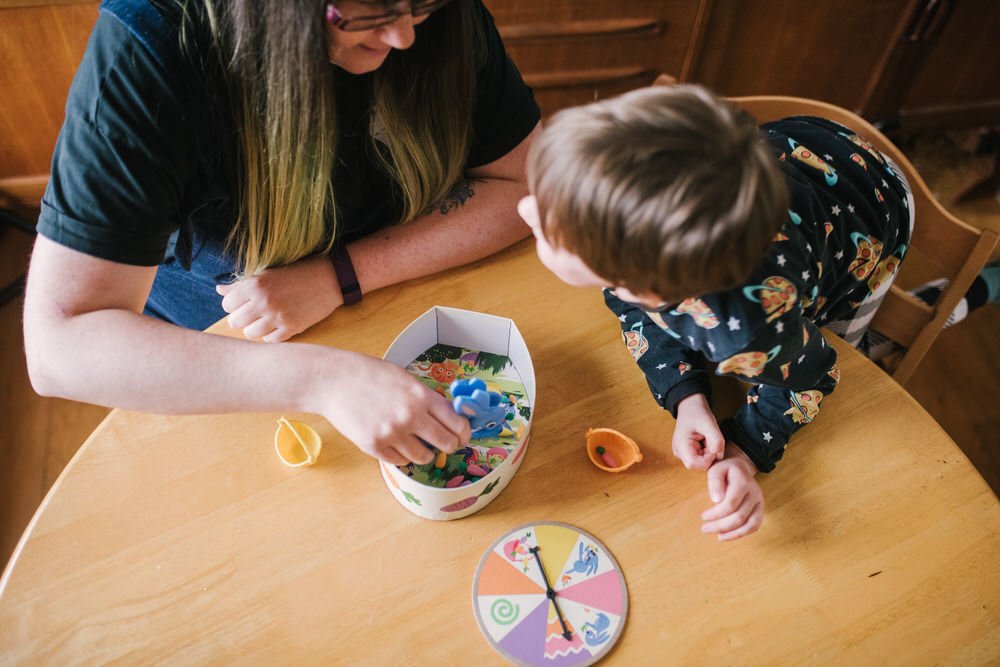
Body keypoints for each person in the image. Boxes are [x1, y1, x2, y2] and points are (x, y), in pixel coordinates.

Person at [23, 0, 541, 466]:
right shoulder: (149, 51)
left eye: (421, 4)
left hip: (399, 291)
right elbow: (58, 346)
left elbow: (523, 185)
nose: (404, 36)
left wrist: (340, 276)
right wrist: (322, 379)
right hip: (223, 360)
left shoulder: (436, 17)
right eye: (367, 12)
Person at [518, 83, 922, 541]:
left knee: (843, 349)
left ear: (639, 281)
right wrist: (687, 396)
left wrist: (745, 451)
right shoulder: (644, 260)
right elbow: (640, 305)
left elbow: (813, 376)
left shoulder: (748, 335)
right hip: (808, 145)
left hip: (875, 213)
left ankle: (951, 299)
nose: (524, 207)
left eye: (548, 224)